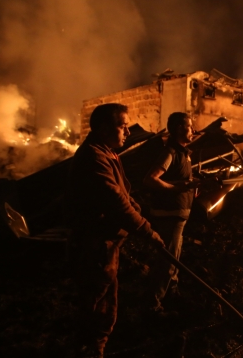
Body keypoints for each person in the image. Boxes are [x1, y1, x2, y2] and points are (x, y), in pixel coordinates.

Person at [66, 103, 165, 357]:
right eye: (123, 126)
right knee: (95, 297)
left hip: (108, 242)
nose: (128, 132)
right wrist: (147, 231)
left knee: (108, 294)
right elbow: (114, 200)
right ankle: (89, 347)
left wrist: (136, 205)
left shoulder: (107, 152)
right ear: (102, 128)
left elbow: (122, 192)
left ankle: (98, 343)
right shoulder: (93, 157)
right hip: (95, 243)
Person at [144, 111, 198, 313]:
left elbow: (182, 180)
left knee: (175, 260)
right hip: (169, 216)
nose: (192, 130)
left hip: (178, 216)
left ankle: (171, 294)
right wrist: (176, 188)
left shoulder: (184, 153)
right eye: (189, 126)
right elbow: (150, 179)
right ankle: (153, 304)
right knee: (168, 261)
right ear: (178, 129)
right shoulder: (170, 153)